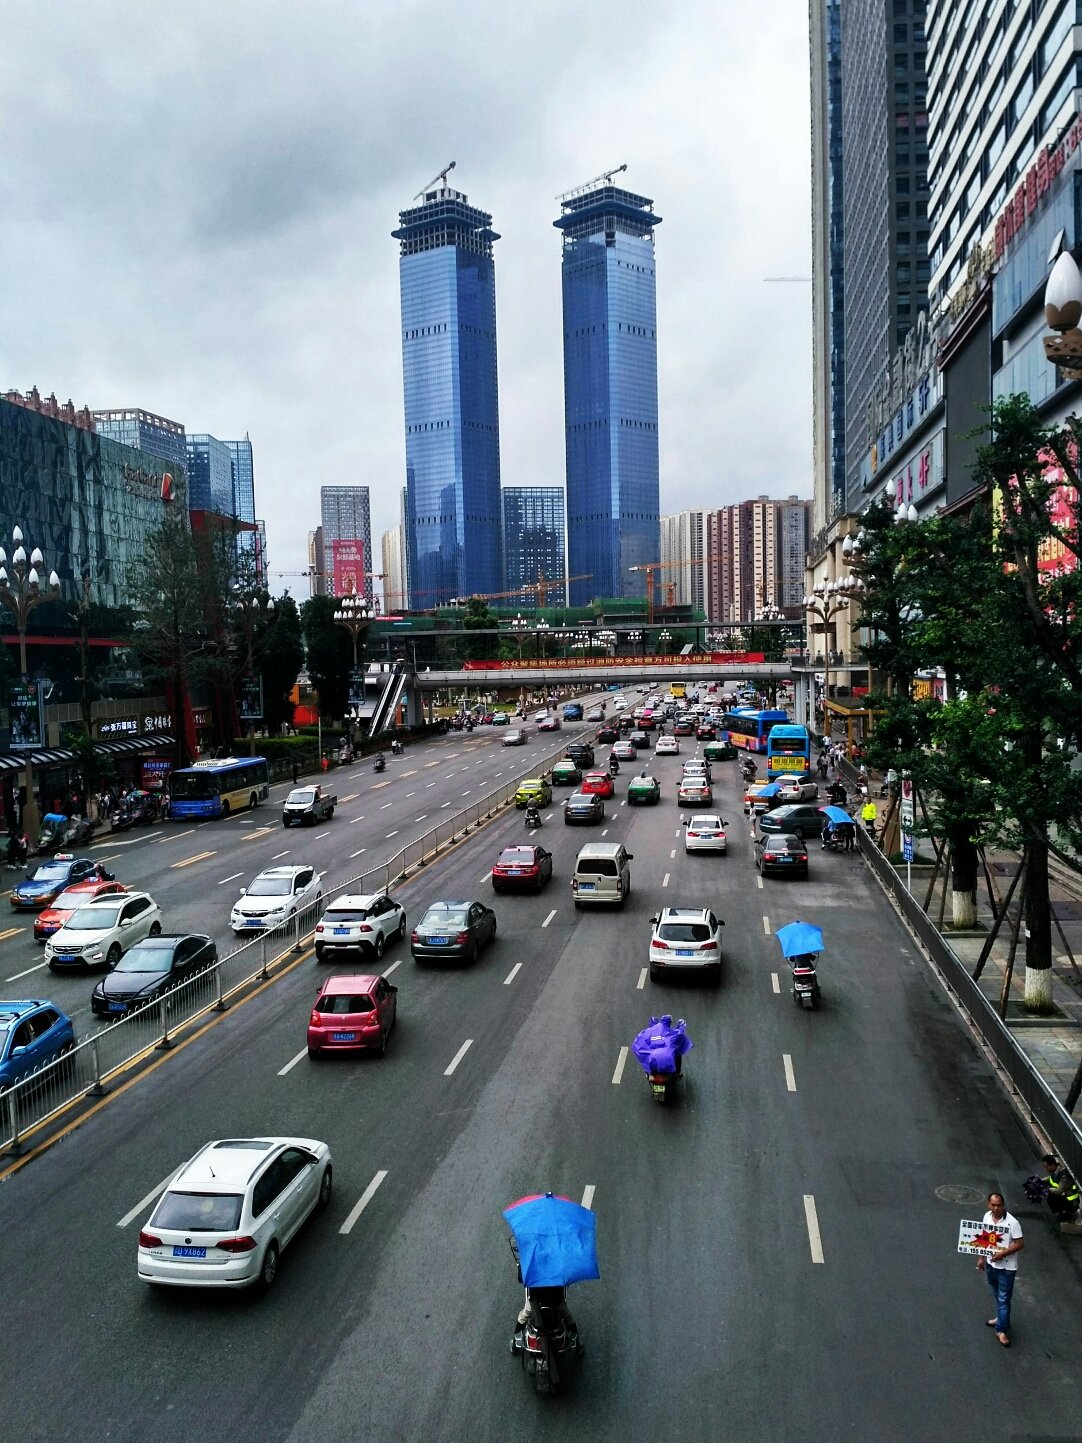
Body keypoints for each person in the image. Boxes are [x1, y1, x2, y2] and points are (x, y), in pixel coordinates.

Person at [977, 1191, 1023, 1346]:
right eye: (993, 1205)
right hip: (991, 1265)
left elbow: (1019, 1243)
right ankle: (1002, 1318)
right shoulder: (986, 1217)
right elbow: (984, 1238)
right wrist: (982, 1258)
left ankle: (1001, 1330)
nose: (996, 1208)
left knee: (1003, 1298)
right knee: (999, 1295)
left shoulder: (1013, 1223)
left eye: (999, 1205)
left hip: (1007, 1268)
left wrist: (1003, 1253)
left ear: (1003, 1206)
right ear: (988, 1205)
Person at [1040, 1154, 1080, 1223]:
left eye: (1046, 1167)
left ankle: (1067, 1212)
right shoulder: (1055, 1170)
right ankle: (1062, 1210)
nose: (1045, 1169)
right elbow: (1051, 1178)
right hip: (1066, 1198)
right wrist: (1040, 1180)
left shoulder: (1064, 1176)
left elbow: (1059, 1191)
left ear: (1052, 1165)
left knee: (1050, 1195)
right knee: (1049, 1192)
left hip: (1072, 1203)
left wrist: (1047, 1189)